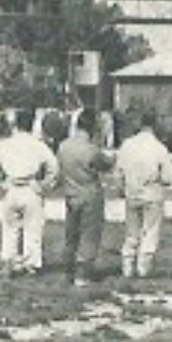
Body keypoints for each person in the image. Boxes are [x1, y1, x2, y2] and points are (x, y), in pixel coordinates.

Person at [0, 109, 59, 276]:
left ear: (15, 123)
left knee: (10, 228)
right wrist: (45, 185)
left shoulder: (5, 144)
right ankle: (30, 264)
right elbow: (54, 166)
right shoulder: (38, 145)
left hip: (12, 187)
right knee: (33, 228)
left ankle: (10, 261)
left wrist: (0, 181)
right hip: (31, 188)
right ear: (32, 124)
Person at [56, 108, 115, 286]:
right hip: (89, 192)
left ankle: (68, 270)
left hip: (70, 193)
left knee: (71, 234)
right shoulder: (91, 149)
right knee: (89, 234)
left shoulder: (63, 146)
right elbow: (105, 165)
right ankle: (84, 272)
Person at [116, 112, 172, 279]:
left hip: (132, 193)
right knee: (150, 230)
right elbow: (168, 177)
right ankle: (143, 267)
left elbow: (119, 171)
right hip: (152, 193)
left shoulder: (127, 145)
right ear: (155, 125)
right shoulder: (159, 148)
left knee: (131, 232)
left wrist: (121, 187)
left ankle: (127, 264)